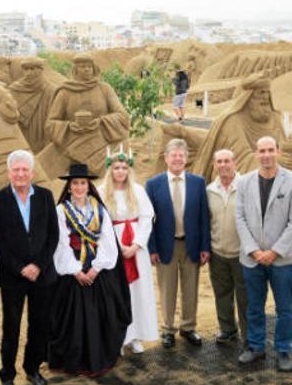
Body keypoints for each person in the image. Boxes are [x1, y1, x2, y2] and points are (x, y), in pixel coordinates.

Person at [0, 150, 59, 385]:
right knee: (12, 327)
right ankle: (7, 376)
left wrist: (38, 265)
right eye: (15, 169)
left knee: (39, 325)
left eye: (24, 170)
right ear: (9, 172)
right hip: (12, 276)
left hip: (43, 275)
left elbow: (53, 235)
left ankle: (32, 368)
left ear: (32, 172)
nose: (20, 174)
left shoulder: (46, 197)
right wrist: (20, 267)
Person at [49, 163, 131, 376]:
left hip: (96, 268)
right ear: (68, 187)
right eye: (74, 183)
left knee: (101, 314)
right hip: (72, 269)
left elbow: (107, 241)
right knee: (71, 318)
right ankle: (74, 360)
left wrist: (95, 269)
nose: (78, 187)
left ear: (89, 185)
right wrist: (76, 270)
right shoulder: (61, 210)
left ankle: (98, 357)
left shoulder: (98, 208)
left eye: (82, 183)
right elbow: (60, 243)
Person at [235, 137, 292, 372]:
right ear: (256, 153)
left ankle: (283, 350)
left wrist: (274, 252)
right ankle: (256, 347)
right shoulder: (244, 182)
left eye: (270, 150)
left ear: (278, 151)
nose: (266, 155)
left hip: (282, 260)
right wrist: (254, 250)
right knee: (254, 306)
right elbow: (240, 218)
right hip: (252, 259)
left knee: (284, 308)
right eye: (261, 150)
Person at [146, 138, 210, 348]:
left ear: (186, 158)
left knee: (190, 289)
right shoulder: (153, 184)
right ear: (166, 158)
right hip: (166, 246)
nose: (177, 158)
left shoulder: (198, 182)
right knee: (167, 289)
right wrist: (152, 248)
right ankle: (168, 329)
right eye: (173, 155)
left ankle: (188, 327)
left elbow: (203, 217)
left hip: (191, 244)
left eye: (181, 155)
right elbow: (149, 220)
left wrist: (204, 247)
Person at [98, 146, 159, 354]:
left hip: (136, 248)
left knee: (137, 291)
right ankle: (120, 337)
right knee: (117, 292)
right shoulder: (101, 192)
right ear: (110, 170)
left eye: (124, 167)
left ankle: (136, 335)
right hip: (113, 248)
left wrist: (136, 244)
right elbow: (100, 222)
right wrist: (117, 245)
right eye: (116, 167)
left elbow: (146, 218)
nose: (121, 171)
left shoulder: (138, 190)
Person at [43, 53, 130, 175]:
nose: (87, 69)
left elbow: (123, 116)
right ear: (75, 70)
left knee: (122, 147)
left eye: (89, 66)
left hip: (101, 140)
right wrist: (69, 126)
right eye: (83, 66)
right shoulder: (65, 92)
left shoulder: (104, 88)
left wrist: (100, 122)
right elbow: (50, 124)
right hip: (75, 144)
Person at [206, 149, 248, 344]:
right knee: (222, 294)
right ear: (215, 165)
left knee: (245, 297)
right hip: (218, 253)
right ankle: (228, 329)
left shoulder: (247, 186)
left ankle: (249, 335)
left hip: (242, 254)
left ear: (235, 163)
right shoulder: (209, 191)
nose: (223, 165)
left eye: (227, 161)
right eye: (219, 161)